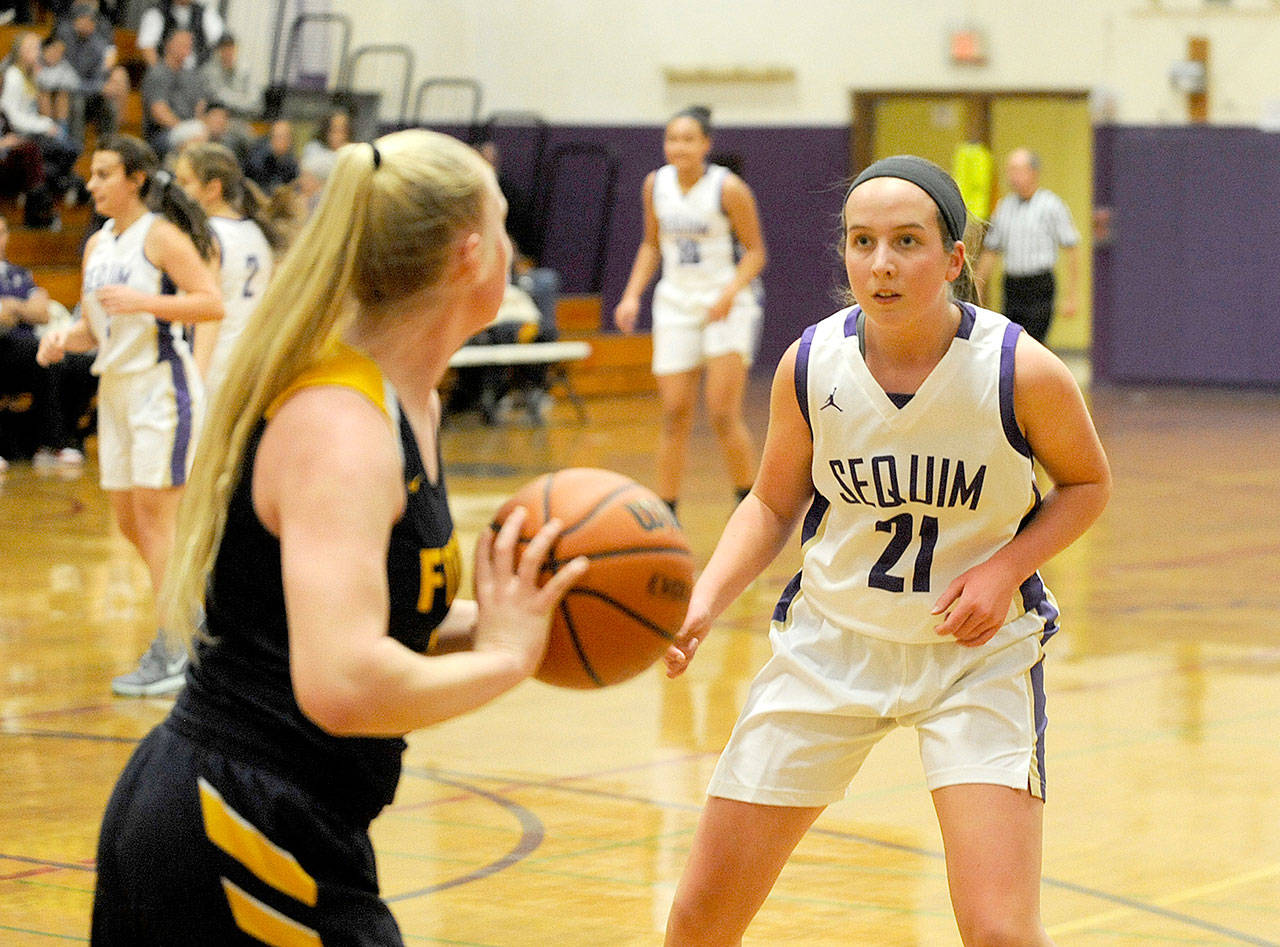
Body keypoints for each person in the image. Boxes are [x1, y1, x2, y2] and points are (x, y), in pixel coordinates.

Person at [90, 128, 588, 945]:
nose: (513, 249)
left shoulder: (409, 403)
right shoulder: (342, 428)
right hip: (235, 821)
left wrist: (537, 610)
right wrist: (506, 660)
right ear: (471, 255)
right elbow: (344, 679)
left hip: (281, 814)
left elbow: (370, 619)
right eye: (504, 225)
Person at [662, 156, 1111, 946]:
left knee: (1001, 930)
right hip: (832, 645)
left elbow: (1085, 484)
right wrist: (703, 598)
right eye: (862, 241)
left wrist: (1004, 568)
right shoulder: (811, 364)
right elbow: (771, 501)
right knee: (700, 919)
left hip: (975, 657)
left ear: (954, 258)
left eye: (907, 241)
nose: (882, 263)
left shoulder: (1020, 370)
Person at [37, 134, 223, 696]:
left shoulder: (161, 237)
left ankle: (176, 648)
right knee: (129, 520)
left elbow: (211, 301)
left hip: (160, 385)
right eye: (91, 175)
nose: (91, 185)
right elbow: (95, 329)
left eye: (103, 174)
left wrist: (146, 302)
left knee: (157, 514)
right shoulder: (97, 246)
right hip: (115, 390)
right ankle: (199, 610)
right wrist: (60, 340)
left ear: (135, 179)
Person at [613, 105, 766, 519]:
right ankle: (666, 510)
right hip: (675, 303)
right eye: (672, 139)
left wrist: (731, 291)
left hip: (725, 304)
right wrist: (631, 296)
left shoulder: (728, 188)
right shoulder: (655, 184)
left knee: (721, 412)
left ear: (705, 145)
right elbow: (651, 244)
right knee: (675, 411)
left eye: (688, 139)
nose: (678, 147)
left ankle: (748, 503)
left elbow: (755, 252)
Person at [173, 140, 281, 401]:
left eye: (184, 182)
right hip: (252, 365)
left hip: (215, 368)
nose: (176, 190)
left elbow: (208, 316)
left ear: (212, 189)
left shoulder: (208, 237)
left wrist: (195, 382)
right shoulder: (258, 232)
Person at [0, 215, 92, 468]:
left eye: (3, 232)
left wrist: (12, 307)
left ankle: (56, 439)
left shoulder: (18, 274)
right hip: (5, 348)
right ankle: (52, 443)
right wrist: (23, 308)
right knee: (41, 353)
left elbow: (42, 312)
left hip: (26, 348)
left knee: (81, 364)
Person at [975, 148, 1081, 345]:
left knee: (1033, 342)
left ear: (1033, 172)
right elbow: (991, 250)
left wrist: (1072, 296)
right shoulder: (1004, 207)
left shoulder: (1051, 205)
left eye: (1016, 170)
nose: (1011, 176)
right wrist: (978, 288)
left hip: (1039, 284)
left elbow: (1071, 247)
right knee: (1010, 341)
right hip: (1013, 285)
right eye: (1009, 170)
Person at [140, 29, 207, 158]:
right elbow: (159, 113)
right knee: (195, 140)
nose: (186, 49)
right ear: (169, 45)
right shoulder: (158, 73)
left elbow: (200, 106)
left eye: (188, 46)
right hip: (162, 134)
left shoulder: (192, 76)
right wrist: (185, 129)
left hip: (192, 128)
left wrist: (200, 125)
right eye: (182, 45)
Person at [136, 0, 223, 68]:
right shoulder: (156, 13)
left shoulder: (205, 13)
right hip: (166, 74)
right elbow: (147, 48)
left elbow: (222, 41)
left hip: (197, 75)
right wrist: (162, 73)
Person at [297, 106, 353, 211]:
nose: (339, 135)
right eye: (335, 130)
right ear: (326, 131)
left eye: (343, 130)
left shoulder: (353, 155)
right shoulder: (313, 149)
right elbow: (305, 185)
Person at [244, 118, 299, 193]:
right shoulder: (257, 160)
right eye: (279, 136)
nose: (282, 141)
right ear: (271, 138)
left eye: (286, 137)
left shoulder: (291, 162)